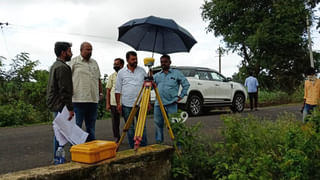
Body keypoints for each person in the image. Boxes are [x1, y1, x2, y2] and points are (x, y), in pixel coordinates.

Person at [69, 42, 102, 142]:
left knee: (91, 126)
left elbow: (98, 79)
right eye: (87, 50)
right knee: (77, 126)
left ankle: (91, 146)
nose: (90, 52)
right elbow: (67, 79)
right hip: (78, 99)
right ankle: (75, 147)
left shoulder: (94, 62)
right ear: (81, 50)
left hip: (93, 99)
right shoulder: (74, 61)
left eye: (91, 50)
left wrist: (100, 93)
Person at [47, 41, 74, 163]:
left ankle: (57, 158)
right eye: (69, 51)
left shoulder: (55, 65)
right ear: (63, 53)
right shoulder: (63, 67)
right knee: (61, 133)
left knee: (58, 132)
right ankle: (58, 160)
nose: (71, 53)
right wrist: (70, 108)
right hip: (61, 105)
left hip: (55, 103)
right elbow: (65, 89)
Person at [153, 54, 190, 144]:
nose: (163, 64)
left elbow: (186, 84)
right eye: (162, 62)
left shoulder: (176, 73)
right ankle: (159, 145)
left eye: (165, 62)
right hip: (158, 104)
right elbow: (149, 87)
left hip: (171, 103)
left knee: (174, 125)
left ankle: (178, 145)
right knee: (158, 124)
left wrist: (181, 95)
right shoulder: (157, 75)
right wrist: (149, 78)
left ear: (170, 62)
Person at [115, 51, 148, 149]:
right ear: (127, 60)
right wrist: (118, 104)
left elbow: (147, 87)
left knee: (142, 126)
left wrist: (148, 101)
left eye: (136, 59)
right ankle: (132, 147)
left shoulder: (142, 71)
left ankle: (143, 146)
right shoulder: (121, 73)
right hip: (127, 104)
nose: (135, 61)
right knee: (129, 127)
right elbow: (117, 89)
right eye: (133, 59)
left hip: (141, 103)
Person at [106, 58, 124, 142]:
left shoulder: (127, 74)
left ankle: (133, 136)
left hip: (125, 102)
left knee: (129, 121)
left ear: (122, 65)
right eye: (114, 64)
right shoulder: (112, 76)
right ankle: (117, 137)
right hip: (114, 102)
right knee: (115, 122)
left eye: (117, 64)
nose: (115, 66)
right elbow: (108, 90)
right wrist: (108, 104)